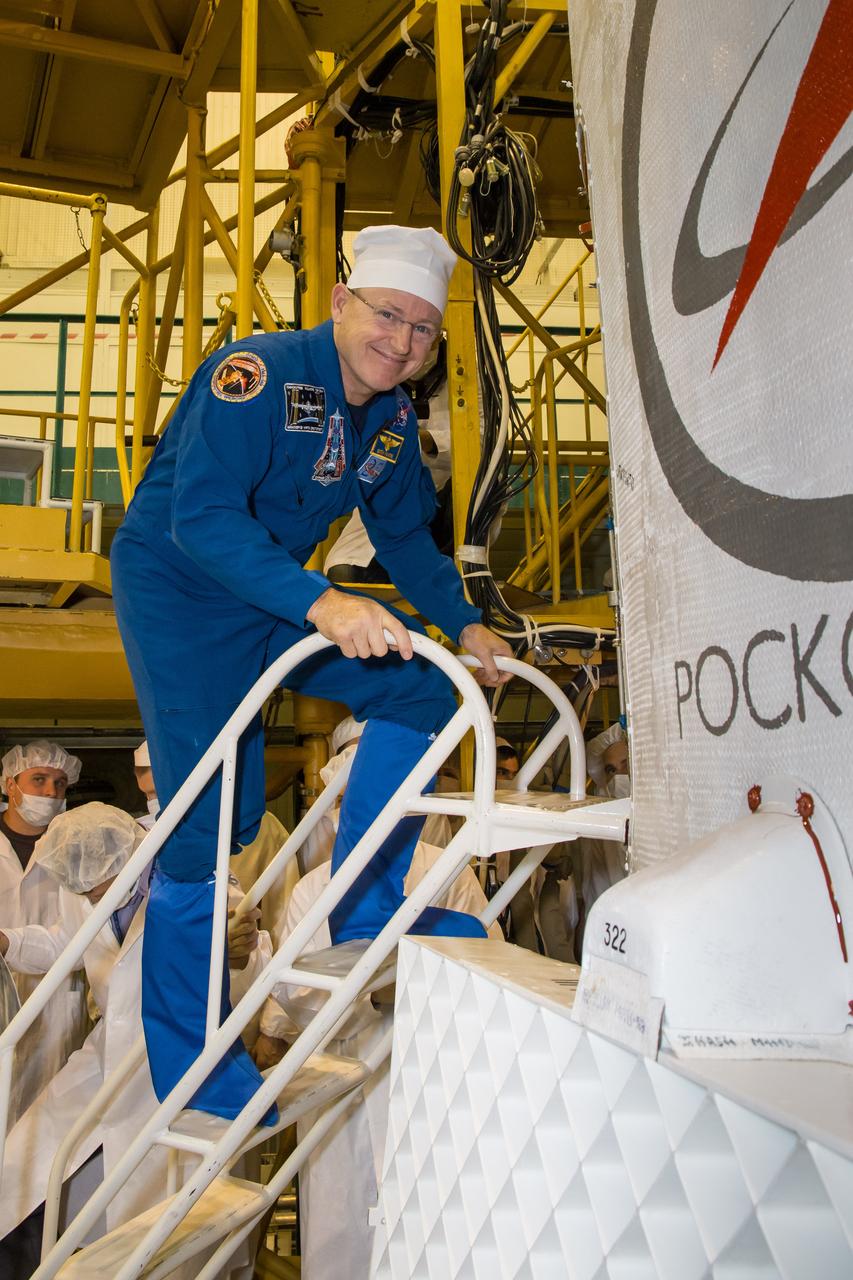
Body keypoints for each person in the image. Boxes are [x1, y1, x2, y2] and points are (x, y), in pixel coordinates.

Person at [109, 223, 512, 1119]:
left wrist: (466, 624)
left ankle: (366, 906)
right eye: (385, 316)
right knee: (207, 828)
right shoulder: (253, 374)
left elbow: (405, 535)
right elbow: (201, 520)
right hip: (182, 593)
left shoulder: (393, 419)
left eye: (420, 329)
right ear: (340, 303)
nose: (400, 342)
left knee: (424, 686)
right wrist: (322, 602)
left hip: (277, 594)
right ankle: (195, 1077)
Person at [0, 803, 269, 1279]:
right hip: (108, 1052)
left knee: (172, 1207)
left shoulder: (196, 885)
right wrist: (9, 943)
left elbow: (247, 950)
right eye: (83, 893)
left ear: (131, 859)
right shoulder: (82, 884)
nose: (92, 899)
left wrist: (235, 953)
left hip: (181, 1055)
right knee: (29, 1155)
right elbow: (71, 941)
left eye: (101, 890)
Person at [252, 819, 502, 1280]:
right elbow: (295, 992)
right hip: (339, 1086)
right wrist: (373, 997)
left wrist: (400, 989)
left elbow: (489, 965)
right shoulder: (317, 886)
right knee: (342, 1235)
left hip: (429, 1075)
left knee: (428, 1230)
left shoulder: (447, 871)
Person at [0, 741, 89, 1123]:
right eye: (38, 780)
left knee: (44, 1122)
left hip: (56, 1002)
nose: (50, 793)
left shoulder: (77, 847)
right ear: (10, 784)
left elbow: (76, 932)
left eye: (60, 783)